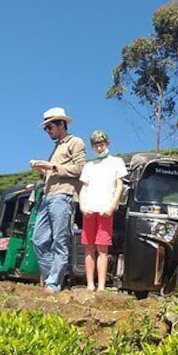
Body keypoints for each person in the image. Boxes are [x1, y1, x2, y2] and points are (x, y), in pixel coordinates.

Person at [29, 107, 86, 292]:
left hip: (63, 196)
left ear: (61, 124)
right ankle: (52, 279)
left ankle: (53, 283)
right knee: (38, 240)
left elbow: (79, 169)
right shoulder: (56, 147)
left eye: (50, 127)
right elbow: (53, 172)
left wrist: (51, 166)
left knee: (59, 242)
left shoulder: (75, 142)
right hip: (47, 197)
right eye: (46, 128)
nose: (48, 131)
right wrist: (43, 171)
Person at [78, 130, 127, 292]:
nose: (99, 148)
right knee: (89, 247)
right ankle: (90, 284)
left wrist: (113, 205)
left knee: (102, 248)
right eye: (96, 145)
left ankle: (101, 286)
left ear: (107, 143)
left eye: (101, 144)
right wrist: (82, 205)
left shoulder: (116, 162)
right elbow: (83, 188)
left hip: (106, 208)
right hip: (89, 209)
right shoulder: (89, 166)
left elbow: (119, 185)